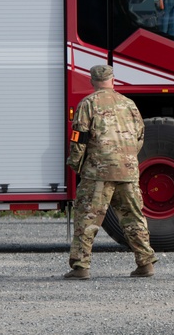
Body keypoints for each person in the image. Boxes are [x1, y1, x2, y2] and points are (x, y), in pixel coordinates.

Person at [64, 64, 158, 280]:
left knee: (87, 220)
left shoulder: (87, 104)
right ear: (113, 80)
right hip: (127, 171)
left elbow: (79, 137)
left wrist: (75, 163)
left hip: (98, 173)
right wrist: (127, 159)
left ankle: (81, 267)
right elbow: (140, 136)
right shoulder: (129, 104)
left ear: (92, 81)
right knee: (133, 217)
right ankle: (145, 263)